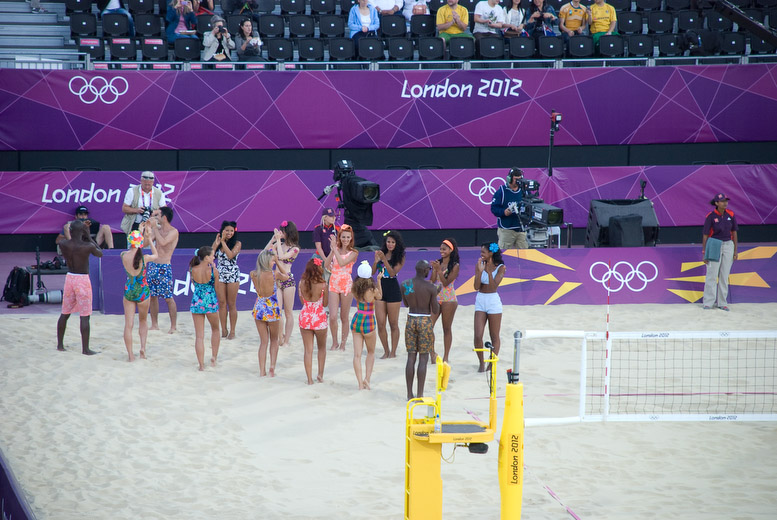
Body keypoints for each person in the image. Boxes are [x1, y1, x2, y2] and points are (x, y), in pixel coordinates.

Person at [55, 220, 103, 355]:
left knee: (65, 313)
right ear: (82, 231)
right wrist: (89, 236)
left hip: (70, 278)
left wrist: (81, 232)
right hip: (82, 279)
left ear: (70, 231)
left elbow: (65, 240)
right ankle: (85, 349)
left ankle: (60, 345)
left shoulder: (63, 244)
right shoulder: (87, 246)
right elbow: (100, 253)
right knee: (85, 315)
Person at [402, 260, 440, 400]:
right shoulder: (431, 287)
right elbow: (435, 309)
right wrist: (436, 293)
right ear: (425, 270)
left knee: (411, 357)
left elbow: (406, 304)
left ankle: (409, 394)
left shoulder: (405, 284)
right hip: (424, 320)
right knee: (423, 358)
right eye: (428, 269)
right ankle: (420, 394)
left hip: (411, 319)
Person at [121, 227, 159, 362]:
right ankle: (142, 349)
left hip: (129, 290)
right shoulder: (145, 258)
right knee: (143, 321)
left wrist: (141, 232)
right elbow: (156, 255)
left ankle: (130, 355)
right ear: (141, 243)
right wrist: (149, 239)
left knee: (128, 325)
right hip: (142, 291)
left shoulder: (123, 255)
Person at [251, 249, 287, 377]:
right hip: (272, 308)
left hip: (259, 308)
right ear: (267, 261)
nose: (274, 263)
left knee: (263, 342)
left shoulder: (253, 274)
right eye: (272, 261)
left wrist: (275, 260)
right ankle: (272, 366)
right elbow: (287, 276)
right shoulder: (274, 274)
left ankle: (262, 370)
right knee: (274, 340)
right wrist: (279, 262)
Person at [702, 193, 738, 311]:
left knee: (724, 275)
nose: (725, 203)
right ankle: (708, 302)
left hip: (728, 245)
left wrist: (735, 251)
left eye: (726, 201)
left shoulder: (731, 214)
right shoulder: (711, 216)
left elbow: (734, 232)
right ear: (716, 203)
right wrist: (704, 252)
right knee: (712, 275)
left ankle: (722, 303)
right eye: (722, 201)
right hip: (714, 244)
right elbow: (705, 235)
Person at [373, 230, 406, 359]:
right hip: (380, 289)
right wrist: (376, 261)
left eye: (393, 242)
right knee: (381, 323)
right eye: (388, 242)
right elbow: (372, 272)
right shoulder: (381, 253)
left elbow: (392, 273)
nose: (390, 244)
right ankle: (386, 351)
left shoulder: (400, 256)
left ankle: (393, 352)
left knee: (393, 323)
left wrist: (384, 260)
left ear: (397, 243)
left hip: (393, 289)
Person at [351, 261, 382, 390]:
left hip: (357, 319)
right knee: (371, 352)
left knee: (357, 355)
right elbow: (380, 296)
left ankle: (359, 384)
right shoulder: (372, 290)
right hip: (368, 321)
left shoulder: (355, 288)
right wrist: (379, 280)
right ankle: (367, 379)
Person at [147, 206, 179, 334]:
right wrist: (147, 230)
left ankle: (173, 326)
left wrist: (155, 228)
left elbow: (164, 242)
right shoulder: (157, 230)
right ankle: (154, 324)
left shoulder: (173, 231)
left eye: (157, 215)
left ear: (164, 217)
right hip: (153, 265)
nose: (156, 218)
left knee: (168, 298)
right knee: (153, 296)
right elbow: (145, 243)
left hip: (164, 267)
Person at [474, 242, 505, 372]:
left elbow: (493, 287)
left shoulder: (501, 267)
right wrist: (480, 272)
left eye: (483, 252)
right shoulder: (480, 265)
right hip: (481, 299)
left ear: (491, 253)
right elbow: (476, 286)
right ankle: (481, 363)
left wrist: (489, 272)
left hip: (493, 300)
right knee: (478, 335)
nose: (481, 254)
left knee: (494, 335)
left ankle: (491, 364)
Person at [327, 224, 358, 351]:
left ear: (351, 238)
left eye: (348, 237)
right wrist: (332, 250)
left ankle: (343, 344)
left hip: (346, 285)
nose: (345, 239)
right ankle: (335, 342)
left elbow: (342, 263)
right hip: (333, 283)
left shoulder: (354, 252)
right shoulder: (336, 250)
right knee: (332, 316)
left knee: (344, 317)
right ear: (340, 237)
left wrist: (335, 249)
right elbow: (326, 265)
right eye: (343, 237)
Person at [298, 257, 329, 385]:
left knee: (308, 350)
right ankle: (320, 375)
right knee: (321, 348)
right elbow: (325, 303)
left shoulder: (301, 283)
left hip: (305, 316)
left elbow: (302, 301)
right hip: (319, 318)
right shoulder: (323, 285)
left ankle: (309, 379)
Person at [189, 246, 220, 371]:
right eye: (212, 255)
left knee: (199, 336)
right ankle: (213, 357)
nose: (214, 257)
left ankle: (201, 365)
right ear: (207, 257)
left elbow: (194, 285)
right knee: (215, 329)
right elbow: (217, 289)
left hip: (197, 302)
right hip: (210, 302)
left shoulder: (192, 270)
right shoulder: (213, 271)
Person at [430, 238, 460, 364]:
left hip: (449, 299)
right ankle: (432, 354)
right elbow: (432, 280)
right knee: (428, 326)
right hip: (436, 297)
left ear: (451, 250)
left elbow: (446, 283)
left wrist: (438, 270)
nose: (441, 251)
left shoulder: (455, 265)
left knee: (446, 328)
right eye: (441, 249)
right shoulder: (438, 263)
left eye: (444, 249)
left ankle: (446, 356)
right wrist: (434, 269)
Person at [272, 221, 300, 347]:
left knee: (288, 312)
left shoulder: (295, 249)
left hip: (288, 280)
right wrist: (273, 240)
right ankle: (280, 337)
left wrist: (278, 241)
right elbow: (265, 251)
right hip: (276, 280)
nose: (280, 233)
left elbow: (282, 256)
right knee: (278, 311)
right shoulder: (278, 244)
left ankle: (287, 340)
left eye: (282, 232)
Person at [212, 220, 241, 340]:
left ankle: (232, 331)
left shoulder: (237, 243)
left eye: (231, 231)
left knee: (231, 304)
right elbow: (211, 255)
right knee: (222, 303)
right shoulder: (219, 242)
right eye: (227, 230)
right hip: (220, 275)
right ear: (222, 231)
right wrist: (217, 242)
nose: (229, 233)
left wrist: (223, 242)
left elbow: (230, 255)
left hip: (232, 275)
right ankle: (223, 329)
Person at [491, 167, 528, 250]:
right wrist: (503, 212)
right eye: (516, 179)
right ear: (509, 179)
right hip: (506, 229)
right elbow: (494, 208)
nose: (518, 182)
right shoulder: (502, 191)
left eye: (519, 179)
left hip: (521, 228)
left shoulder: (524, 191)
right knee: (504, 254)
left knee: (524, 254)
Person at [121, 171, 167, 237]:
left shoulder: (159, 193)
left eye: (149, 184)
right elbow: (124, 208)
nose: (147, 187)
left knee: (150, 243)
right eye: (145, 184)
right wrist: (137, 210)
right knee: (134, 243)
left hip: (152, 225)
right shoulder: (132, 191)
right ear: (141, 181)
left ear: (153, 182)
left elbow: (165, 209)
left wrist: (154, 212)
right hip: (135, 224)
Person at [312, 207, 338, 282]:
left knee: (331, 280)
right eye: (331, 216)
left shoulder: (336, 230)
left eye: (334, 216)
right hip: (320, 257)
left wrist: (330, 260)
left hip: (332, 257)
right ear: (325, 217)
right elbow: (318, 246)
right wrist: (326, 260)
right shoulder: (318, 229)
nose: (333, 218)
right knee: (318, 280)